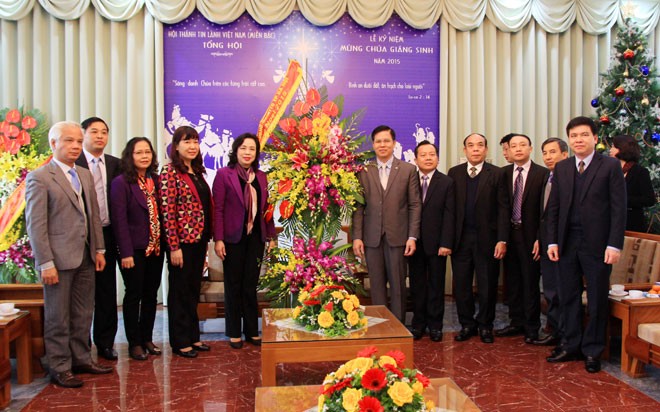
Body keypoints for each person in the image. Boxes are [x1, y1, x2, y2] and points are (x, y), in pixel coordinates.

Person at [25, 121, 113, 388]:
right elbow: (36, 225)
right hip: (57, 261)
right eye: (68, 141)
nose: (75, 146)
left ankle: (81, 358)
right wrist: (45, 262)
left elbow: (93, 217)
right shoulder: (40, 178)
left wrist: (99, 249)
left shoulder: (84, 174)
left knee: (83, 312)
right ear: (54, 144)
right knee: (57, 316)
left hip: (85, 257)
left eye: (77, 141)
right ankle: (59, 366)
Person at [546, 116, 626, 373]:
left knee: (596, 299)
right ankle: (571, 345)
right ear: (569, 140)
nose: (578, 140)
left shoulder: (610, 166)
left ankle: (592, 350)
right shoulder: (563, 167)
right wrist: (552, 241)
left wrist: (614, 245)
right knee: (567, 296)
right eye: (573, 136)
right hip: (567, 243)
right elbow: (554, 208)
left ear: (594, 138)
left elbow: (618, 209)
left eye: (583, 135)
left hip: (599, 246)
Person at [213, 133, 276, 349]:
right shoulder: (224, 175)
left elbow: (267, 210)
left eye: (252, 149)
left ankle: (251, 330)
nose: (248, 152)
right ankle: (233, 332)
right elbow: (218, 209)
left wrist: (271, 236)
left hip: (255, 238)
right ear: (236, 150)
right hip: (232, 239)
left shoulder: (261, 177)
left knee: (250, 285)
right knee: (233, 285)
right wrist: (218, 239)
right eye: (243, 148)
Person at [352, 125, 421, 322]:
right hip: (371, 238)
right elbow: (358, 206)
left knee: (398, 285)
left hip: (398, 237)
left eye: (386, 141)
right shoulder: (363, 171)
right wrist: (357, 237)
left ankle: (398, 325)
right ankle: (379, 324)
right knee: (376, 284)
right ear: (373, 145)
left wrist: (412, 236)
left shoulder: (408, 170)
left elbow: (414, 205)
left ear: (394, 144)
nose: (382, 145)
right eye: (378, 141)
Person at [448, 133, 509, 344]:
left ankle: (485, 325)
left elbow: (503, 209)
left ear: (486, 150)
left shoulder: (497, 174)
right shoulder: (454, 173)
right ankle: (467, 324)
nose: (475, 149)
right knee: (462, 286)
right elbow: (450, 210)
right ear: (464, 150)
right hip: (461, 240)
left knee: (487, 285)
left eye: (480, 145)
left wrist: (502, 239)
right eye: (471, 146)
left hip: (488, 240)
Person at [160, 126, 212, 358]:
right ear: (176, 146)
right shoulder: (169, 172)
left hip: (199, 241)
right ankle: (180, 341)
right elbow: (167, 212)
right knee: (180, 291)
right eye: (186, 141)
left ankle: (193, 337)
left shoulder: (197, 172)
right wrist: (174, 246)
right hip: (181, 242)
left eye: (195, 141)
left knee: (192, 290)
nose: (192, 146)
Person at [110, 137, 164, 361]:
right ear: (130, 156)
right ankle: (134, 343)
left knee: (151, 295)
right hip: (134, 250)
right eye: (139, 152)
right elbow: (119, 220)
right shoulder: (121, 183)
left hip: (156, 248)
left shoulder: (157, 180)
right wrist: (126, 253)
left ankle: (147, 338)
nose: (144, 156)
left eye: (147, 152)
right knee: (134, 295)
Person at [76, 117, 121, 361]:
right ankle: (81, 345)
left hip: (108, 232)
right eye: (94, 132)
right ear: (83, 134)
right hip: (81, 236)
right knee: (83, 292)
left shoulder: (116, 164)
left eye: (104, 132)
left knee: (106, 290)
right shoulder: (74, 162)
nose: (100, 136)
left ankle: (105, 342)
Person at [496, 134, 548, 343]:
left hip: (531, 237)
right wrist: (501, 238)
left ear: (530, 148)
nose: (518, 149)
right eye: (513, 146)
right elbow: (501, 208)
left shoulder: (542, 174)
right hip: (510, 234)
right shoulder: (504, 173)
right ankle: (515, 321)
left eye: (522, 145)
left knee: (530, 281)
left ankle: (532, 326)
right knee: (513, 281)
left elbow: (545, 211)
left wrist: (540, 238)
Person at [408, 141, 455, 341]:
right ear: (415, 159)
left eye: (432, 154)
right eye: (424, 155)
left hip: (437, 245)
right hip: (414, 243)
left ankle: (436, 325)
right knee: (417, 285)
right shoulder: (408, 181)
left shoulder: (446, 182)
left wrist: (446, 242)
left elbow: (450, 214)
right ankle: (418, 324)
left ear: (437, 157)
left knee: (436, 285)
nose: (428, 158)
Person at [533, 137, 568, 347]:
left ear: (565, 154)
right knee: (550, 289)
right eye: (545, 152)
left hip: (563, 243)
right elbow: (544, 214)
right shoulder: (548, 177)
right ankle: (554, 330)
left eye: (552, 152)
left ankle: (566, 334)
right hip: (546, 241)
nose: (548, 157)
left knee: (563, 290)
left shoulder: (570, 178)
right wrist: (540, 238)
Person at [609, 134, 656, 232]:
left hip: (631, 223)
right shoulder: (609, 169)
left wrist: (623, 200)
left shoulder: (640, 172)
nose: (610, 149)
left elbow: (649, 199)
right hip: (609, 222)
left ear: (622, 148)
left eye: (613, 146)